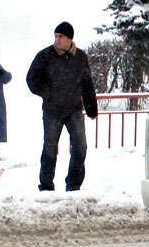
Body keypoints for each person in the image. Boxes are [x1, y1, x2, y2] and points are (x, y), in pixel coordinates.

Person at [26, 21, 98, 192]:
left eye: (61, 37)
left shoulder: (80, 57)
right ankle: (46, 186)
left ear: (69, 39)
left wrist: (91, 109)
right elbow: (31, 79)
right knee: (50, 149)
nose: (57, 40)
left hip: (74, 109)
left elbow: (87, 84)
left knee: (80, 147)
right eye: (56, 36)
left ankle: (73, 184)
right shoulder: (45, 55)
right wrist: (48, 94)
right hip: (52, 110)